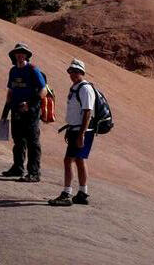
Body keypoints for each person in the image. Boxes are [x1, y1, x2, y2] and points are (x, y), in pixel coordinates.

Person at [48, 59, 95, 206]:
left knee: (68, 160)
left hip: (82, 130)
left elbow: (88, 112)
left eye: (76, 71)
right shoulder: (75, 87)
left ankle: (66, 194)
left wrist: (81, 134)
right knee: (80, 160)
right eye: (71, 71)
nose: (73, 74)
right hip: (76, 129)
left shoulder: (85, 88)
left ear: (82, 72)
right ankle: (82, 193)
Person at [1, 43, 47, 182]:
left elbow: (43, 90)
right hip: (16, 110)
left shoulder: (33, 69)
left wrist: (30, 104)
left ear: (27, 55)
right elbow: (10, 91)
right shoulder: (13, 71)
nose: (20, 55)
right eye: (17, 53)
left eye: (23, 53)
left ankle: (34, 172)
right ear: (14, 55)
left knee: (33, 142)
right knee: (18, 139)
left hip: (31, 112)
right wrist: (5, 111)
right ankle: (18, 167)